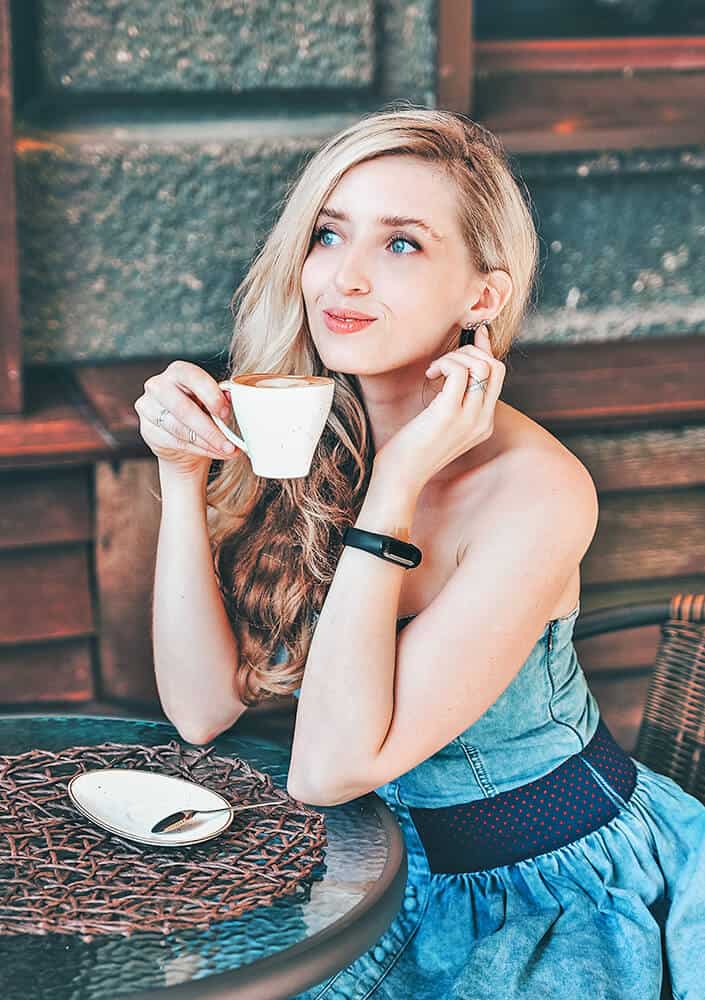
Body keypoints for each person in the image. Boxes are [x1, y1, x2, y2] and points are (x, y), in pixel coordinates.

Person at [134, 105, 705, 999]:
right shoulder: (309, 428)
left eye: (400, 245)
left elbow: (326, 770)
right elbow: (202, 709)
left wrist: (395, 486)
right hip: (365, 877)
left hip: (548, 895)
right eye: (329, 234)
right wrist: (178, 475)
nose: (344, 278)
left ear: (482, 296)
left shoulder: (538, 490)